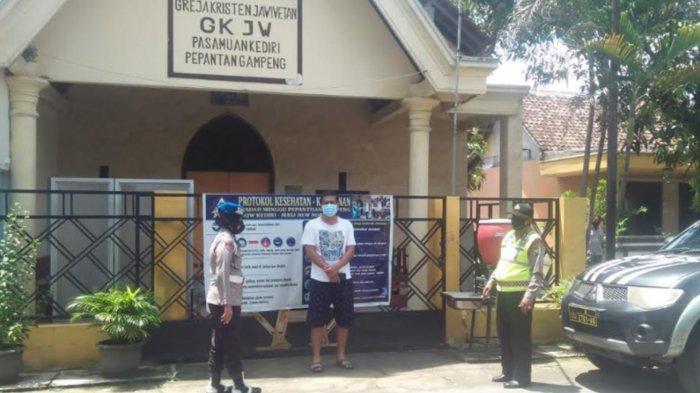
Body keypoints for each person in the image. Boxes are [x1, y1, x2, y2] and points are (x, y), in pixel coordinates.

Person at [481, 203, 545, 389]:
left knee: (520, 337)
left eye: (517, 217)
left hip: (520, 296)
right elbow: (502, 262)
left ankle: (522, 377)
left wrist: (529, 296)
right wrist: (491, 280)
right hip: (503, 293)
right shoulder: (509, 236)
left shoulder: (534, 240)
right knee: (505, 335)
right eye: (513, 216)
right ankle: (507, 371)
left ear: (528, 220)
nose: (513, 220)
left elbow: (537, 272)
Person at [206, 201, 261, 393]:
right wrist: (227, 305)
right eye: (237, 218)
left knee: (219, 342)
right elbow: (223, 274)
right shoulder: (227, 241)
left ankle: (214, 385)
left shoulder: (224, 238)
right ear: (228, 219)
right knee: (231, 343)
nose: (240, 222)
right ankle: (239, 387)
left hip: (221, 300)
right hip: (225, 301)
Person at [302, 191, 356, 373]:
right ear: (320, 205)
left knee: (344, 319)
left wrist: (336, 268)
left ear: (338, 205)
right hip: (319, 280)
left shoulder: (347, 225)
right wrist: (328, 269)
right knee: (317, 321)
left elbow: (350, 250)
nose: (329, 205)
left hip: (343, 279)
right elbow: (310, 250)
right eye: (326, 202)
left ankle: (341, 356)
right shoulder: (312, 225)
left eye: (332, 202)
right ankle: (316, 359)